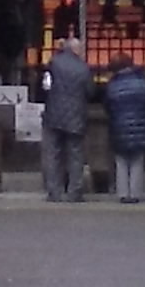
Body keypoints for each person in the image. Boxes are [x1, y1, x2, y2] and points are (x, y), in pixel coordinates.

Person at [40, 38, 93, 202]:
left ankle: (54, 191)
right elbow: (90, 92)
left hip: (54, 113)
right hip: (76, 115)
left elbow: (45, 86)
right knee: (75, 155)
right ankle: (74, 191)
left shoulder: (54, 63)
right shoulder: (84, 68)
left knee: (52, 154)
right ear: (77, 50)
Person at [102, 54, 145, 205]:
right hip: (140, 123)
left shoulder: (112, 85)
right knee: (137, 159)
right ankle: (135, 192)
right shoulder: (143, 82)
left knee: (120, 160)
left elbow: (107, 105)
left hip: (118, 124)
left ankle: (122, 193)